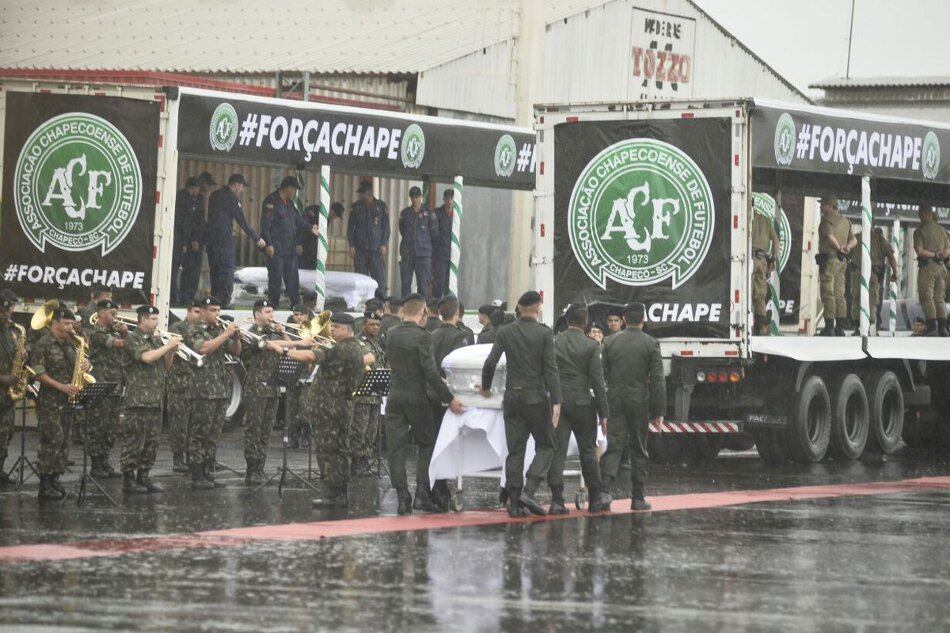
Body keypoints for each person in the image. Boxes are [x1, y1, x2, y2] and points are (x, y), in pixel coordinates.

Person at [273, 313, 369, 508]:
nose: (331, 330)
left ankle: (332, 495)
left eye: (335, 327)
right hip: (344, 406)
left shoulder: (337, 348)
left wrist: (283, 351)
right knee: (341, 450)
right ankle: (341, 492)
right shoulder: (356, 348)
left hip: (328, 408)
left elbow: (309, 356)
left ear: (346, 329)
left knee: (327, 451)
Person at [480, 290, 561, 518]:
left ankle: (514, 504)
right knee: (547, 444)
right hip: (535, 398)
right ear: (538, 308)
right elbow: (550, 370)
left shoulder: (506, 331)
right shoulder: (545, 333)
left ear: (518, 307)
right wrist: (556, 400)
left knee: (515, 451)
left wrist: (485, 388)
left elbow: (490, 363)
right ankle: (530, 489)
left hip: (512, 397)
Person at [386, 294, 463, 515]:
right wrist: (449, 398)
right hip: (417, 398)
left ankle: (402, 497)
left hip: (394, 396)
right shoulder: (423, 337)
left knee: (396, 449)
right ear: (422, 314)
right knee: (427, 444)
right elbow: (429, 372)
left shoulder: (391, 335)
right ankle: (421, 493)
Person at [599, 303, 666, 511]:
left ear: (624, 320)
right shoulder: (651, 343)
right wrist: (658, 411)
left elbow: (603, 375)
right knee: (639, 447)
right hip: (639, 401)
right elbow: (657, 381)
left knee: (614, 444)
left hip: (615, 399)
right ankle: (637, 497)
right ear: (643, 321)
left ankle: (604, 493)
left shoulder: (609, 341)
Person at [549, 303, 612, 515]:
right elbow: (597, 382)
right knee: (587, 451)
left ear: (566, 320)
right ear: (585, 323)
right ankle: (595, 499)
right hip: (584, 403)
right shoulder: (591, 346)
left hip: (559, 402)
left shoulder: (554, 342)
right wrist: (604, 414)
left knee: (558, 451)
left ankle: (557, 500)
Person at [183, 296, 242, 489]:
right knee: (199, 433)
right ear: (203, 311)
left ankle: (207, 471)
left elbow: (235, 352)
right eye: (213, 310)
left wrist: (235, 338)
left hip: (219, 388)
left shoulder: (218, 330)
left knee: (213, 434)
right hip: (201, 390)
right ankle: (196, 473)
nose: (218, 314)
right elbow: (204, 348)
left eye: (219, 310)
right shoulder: (193, 330)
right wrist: (226, 334)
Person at [119, 305, 179, 494]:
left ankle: (143, 477)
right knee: (134, 440)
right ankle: (129, 479)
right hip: (138, 399)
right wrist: (167, 346)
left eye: (156, 320)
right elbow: (146, 357)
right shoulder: (132, 338)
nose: (156, 323)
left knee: (152, 442)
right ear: (143, 319)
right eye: (153, 319)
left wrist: (171, 352)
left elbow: (165, 368)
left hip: (156, 398)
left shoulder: (155, 340)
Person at [32, 307, 87, 499]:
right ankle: (44, 484)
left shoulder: (71, 343)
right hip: (50, 400)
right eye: (66, 324)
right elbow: (39, 374)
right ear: (55, 323)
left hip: (68, 400)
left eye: (72, 324)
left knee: (64, 441)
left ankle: (55, 478)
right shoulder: (43, 344)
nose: (70, 328)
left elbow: (76, 366)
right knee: (52, 439)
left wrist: (84, 366)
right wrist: (61, 387)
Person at [241, 300, 291, 484]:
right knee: (254, 430)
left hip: (273, 388)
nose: (272, 315)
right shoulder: (250, 333)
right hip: (256, 388)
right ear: (257, 314)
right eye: (268, 312)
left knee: (266, 431)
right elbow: (267, 345)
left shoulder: (273, 332)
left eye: (272, 311)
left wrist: (283, 332)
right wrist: (276, 340)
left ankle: (260, 467)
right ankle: (251, 469)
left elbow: (289, 347)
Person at [428, 296, 471, 511]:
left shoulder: (430, 335)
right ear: (457, 314)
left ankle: (435, 485)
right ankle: (444, 488)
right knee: (451, 443)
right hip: (452, 396)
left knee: (434, 440)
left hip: (431, 393)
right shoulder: (461, 336)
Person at [206, 174, 265, 308]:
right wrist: (257, 238)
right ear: (236, 185)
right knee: (227, 272)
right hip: (224, 242)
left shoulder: (214, 196)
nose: (242, 191)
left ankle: (215, 303)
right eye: (242, 187)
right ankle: (224, 303)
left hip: (211, 242)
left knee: (215, 272)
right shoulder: (231, 199)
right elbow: (242, 221)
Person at [261, 176, 319, 308]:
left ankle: (295, 307)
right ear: (286, 187)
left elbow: (298, 220)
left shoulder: (289, 203)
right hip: (276, 250)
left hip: (290, 250)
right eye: (293, 189)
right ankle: (273, 306)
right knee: (275, 280)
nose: (294, 192)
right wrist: (268, 244)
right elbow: (265, 225)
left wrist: (311, 228)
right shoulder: (271, 202)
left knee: (293, 280)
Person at [86, 300, 127, 479]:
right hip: (100, 384)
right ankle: (96, 464)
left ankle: (105, 461)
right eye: (112, 313)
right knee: (98, 425)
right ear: (101, 313)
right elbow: (115, 344)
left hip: (115, 385)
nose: (115, 317)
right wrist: (127, 337)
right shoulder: (96, 332)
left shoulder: (115, 332)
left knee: (111, 426)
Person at [166, 300, 202, 472]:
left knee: (196, 423)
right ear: (188, 311)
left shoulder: (204, 329)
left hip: (198, 381)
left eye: (200, 312)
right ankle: (178, 459)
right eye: (196, 311)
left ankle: (193, 458)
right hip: (180, 382)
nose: (198, 315)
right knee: (179, 422)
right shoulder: (178, 327)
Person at [352, 309, 387, 475]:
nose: (375, 327)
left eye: (378, 325)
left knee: (372, 430)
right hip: (362, 393)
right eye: (371, 324)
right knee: (360, 428)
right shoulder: (358, 341)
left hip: (375, 393)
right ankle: (356, 460)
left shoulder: (377, 342)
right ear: (364, 325)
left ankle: (365, 458)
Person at [816, 196, 857, 336]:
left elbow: (829, 237)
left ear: (829, 206)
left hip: (830, 260)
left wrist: (839, 248)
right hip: (842, 262)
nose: (821, 207)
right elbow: (854, 240)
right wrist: (847, 248)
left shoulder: (827, 220)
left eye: (823, 205)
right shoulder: (846, 221)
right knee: (840, 294)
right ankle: (840, 328)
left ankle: (829, 327)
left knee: (828, 293)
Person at [850, 227, 898, 335]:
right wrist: (895, 272)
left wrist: (851, 265)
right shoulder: (879, 239)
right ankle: (867, 326)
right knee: (871, 299)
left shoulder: (855, 238)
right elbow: (891, 256)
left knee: (857, 298)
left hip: (858, 272)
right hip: (873, 274)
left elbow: (846, 253)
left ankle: (858, 326)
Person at [348, 181, 390, 294]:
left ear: (369, 193)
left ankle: (379, 301)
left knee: (379, 277)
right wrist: (351, 245)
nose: (360, 195)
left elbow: (386, 228)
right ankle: (362, 301)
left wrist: (384, 244)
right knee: (361, 277)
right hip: (360, 248)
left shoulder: (381, 206)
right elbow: (351, 227)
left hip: (376, 248)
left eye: (362, 193)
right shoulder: (356, 206)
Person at [914, 204, 950, 336]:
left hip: (927, 267)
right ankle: (943, 328)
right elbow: (948, 250)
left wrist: (934, 255)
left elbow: (919, 250)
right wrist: (941, 255)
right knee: (939, 298)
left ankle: (931, 327)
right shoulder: (942, 230)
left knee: (927, 297)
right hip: (941, 268)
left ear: (923, 214)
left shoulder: (920, 231)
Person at [399, 186, 439, 298]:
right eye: (412, 197)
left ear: (421, 197)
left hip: (424, 253)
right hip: (408, 252)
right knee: (406, 284)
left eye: (417, 197)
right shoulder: (405, 213)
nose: (415, 199)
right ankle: (406, 308)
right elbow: (402, 229)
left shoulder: (429, 213)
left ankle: (422, 309)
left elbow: (434, 233)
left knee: (423, 284)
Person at [751, 208, 781, 335]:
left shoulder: (746, 218)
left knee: (746, 292)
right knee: (760, 294)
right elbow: (775, 240)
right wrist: (772, 259)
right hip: (762, 260)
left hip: (749, 258)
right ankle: (759, 328)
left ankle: (749, 326)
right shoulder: (766, 220)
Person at [173, 177, 202, 305]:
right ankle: (176, 296)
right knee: (176, 269)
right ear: (193, 188)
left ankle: (177, 296)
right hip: (180, 240)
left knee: (179, 270)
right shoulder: (184, 199)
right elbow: (184, 222)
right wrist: (185, 243)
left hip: (182, 240)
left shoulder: (182, 197)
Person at [0, 295, 18, 485]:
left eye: (10, 312)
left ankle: (0, 469)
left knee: (6, 433)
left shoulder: (9, 332)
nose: (8, 316)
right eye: (5, 312)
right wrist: (2, 378)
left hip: (6, 396)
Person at [432, 189, 455, 298]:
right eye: (447, 198)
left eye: (451, 198)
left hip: (452, 252)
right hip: (440, 252)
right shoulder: (437, 213)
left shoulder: (456, 213)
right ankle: (436, 305)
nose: (449, 201)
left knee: (449, 282)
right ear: (444, 199)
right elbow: (434, 232)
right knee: (439, 281)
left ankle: (447, 304)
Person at [299, 204, 321, 270]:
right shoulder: (305, 221)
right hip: (306, 243)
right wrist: (299, 243)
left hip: (313, 246)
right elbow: (302, 228)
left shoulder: (322, 220)